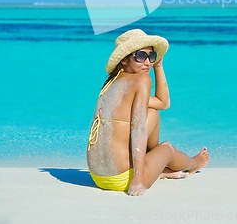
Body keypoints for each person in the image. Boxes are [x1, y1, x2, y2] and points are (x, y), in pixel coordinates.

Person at [87, 29, 210, 196]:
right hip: (123, 178)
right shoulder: (141, 81)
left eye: (151, 57)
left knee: (153, 113)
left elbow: (162, 103)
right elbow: (138, 128)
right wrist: (138, 177)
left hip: (98, 177)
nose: (147, 62)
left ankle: (156, 167)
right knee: (168, 148)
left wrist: (158, 67)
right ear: (124, 59)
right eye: (140, 56)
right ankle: (194, 163)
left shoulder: (111, 84)